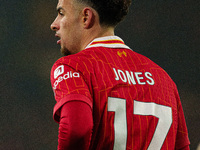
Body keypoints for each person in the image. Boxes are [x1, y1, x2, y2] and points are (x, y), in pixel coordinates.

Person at [50, 0, 190, 149]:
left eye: (61, 13)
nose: (54, 24)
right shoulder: (164, 80)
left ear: (86, 17)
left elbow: (76, 128)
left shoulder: (73, 67)